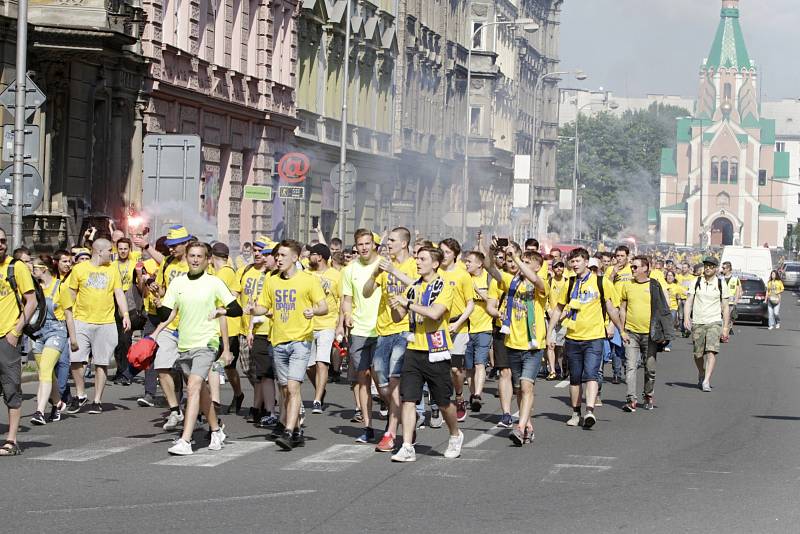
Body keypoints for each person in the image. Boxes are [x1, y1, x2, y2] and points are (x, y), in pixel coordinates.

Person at [153, 242, 242, 455]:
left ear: (207, 259)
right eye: (192, 255)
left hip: (207, 343)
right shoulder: (178, 283)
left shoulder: (214, 283)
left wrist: (220, 310)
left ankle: (185, 440)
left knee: (193, 385)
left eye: (199, 256)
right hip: (185, 344)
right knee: (201, 391)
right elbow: (167, 314)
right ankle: (216, 429)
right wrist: (158, 300)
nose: (194, 259)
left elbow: (236, 309)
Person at [388, 246, 464, 462]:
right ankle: (407, 445)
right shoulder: (413, 287)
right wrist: (394, 303)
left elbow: (434, 313)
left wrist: (409, 304)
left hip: (436, 350)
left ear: (435, 263)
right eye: (417, 259)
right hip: (413, 349)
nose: (418, 262)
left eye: (422, 259)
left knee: (443, 402)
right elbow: (397, 317)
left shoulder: (445, 286)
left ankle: (455, 434)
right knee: (409, 399)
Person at [251, 240, 328, 450]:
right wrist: (252, 310)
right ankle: (296, 429)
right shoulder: (271, 280)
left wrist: (314, 311)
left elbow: (324, 306)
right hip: (278, 341)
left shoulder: (308, 280)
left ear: (295, 257)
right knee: (285, 389)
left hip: (301, 341)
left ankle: (287, 431)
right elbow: (263, 307)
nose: (278, 259)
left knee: (293, 387)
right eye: (277, 256)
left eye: (283, 255)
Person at [548, 248, 627, 428]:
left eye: (578, 261)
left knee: (591, 374)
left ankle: (590, 411)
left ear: (586, 262)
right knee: (575, 378)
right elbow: (559, 309)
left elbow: (612, 309)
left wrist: (620, 330)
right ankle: (576, 413)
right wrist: (550, 332)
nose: (574, 265)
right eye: (572, 262)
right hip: (573, 337)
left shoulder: (601, 282)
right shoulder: (569, 284)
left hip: (594, 337)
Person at [484, 244, 548, 445]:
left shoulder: (540, 284)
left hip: (533, 345)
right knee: (520, 388)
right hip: (513, 342)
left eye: (528, 263)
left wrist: (518, 259)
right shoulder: (511, 281)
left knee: (527, 386)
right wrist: (492, 252)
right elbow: (490, 268)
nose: (521, 265)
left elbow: (536, 281)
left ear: (537, 266)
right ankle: (527, 423)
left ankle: (519, 427)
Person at [362, 227, 417, 452]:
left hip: (404, 330)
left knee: (394, 382)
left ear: (404, 243)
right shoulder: (383, 267)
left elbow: (418, 286)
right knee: (382, 381)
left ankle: (391, 432)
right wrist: (376, 274)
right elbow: (366, 292)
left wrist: (393, 270)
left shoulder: (413, 264)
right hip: (383, 330)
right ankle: (407, 414)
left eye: (392, 240)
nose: (388, 244)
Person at [65, 238, 130, 415]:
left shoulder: (112, 269)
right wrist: (67, 317)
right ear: (100, 251)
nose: (113, 253)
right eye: (110, 250)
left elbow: (119, 293)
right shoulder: (79, 269)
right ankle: (80, 394)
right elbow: (71, 294)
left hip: (106, 322)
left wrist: (125, 314)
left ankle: (97, 400)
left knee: (101, 362)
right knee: (76, 359)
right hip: (81, 321)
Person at [338, 229, 381, 443]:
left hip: (382, 330)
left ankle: (394, 418)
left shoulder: (383, 265)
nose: (364, 247)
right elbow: (346, 298)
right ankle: (368, 426)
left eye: (367, 243)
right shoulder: (349, 270)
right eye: (360, 244)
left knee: (381, 381)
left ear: (373, 244)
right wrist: (346, 315)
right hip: (359, 332)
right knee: (362, 379)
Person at [0, 228, 38, 456]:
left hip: (7, 337)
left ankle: (11, 440)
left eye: (3, 241)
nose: (1, 244)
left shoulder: (16, 267)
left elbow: (31, 301)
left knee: (11, 387)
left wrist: (16, 330)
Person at [29, 256, 77, 425]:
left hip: (56, 332)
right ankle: (58, 403)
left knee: (45, 369)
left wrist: (73, 339)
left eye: (35, 267)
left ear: (44, 269)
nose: (32, 269)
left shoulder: (60, 288)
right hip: (37, 333)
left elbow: (69, 316)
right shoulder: (34, 289)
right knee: (46, 372)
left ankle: (39, 411)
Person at [619, 256, 665, 412]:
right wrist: (622, 330)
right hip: (631, 333)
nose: (632, 269)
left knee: (649, 368)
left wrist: (662, 332)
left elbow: (661, 310)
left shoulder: (653, 285)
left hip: (650, 335)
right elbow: (623, 308)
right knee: (630, 367)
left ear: (645, 268)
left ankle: (648, 394)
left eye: (635, 267)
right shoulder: (627, 285)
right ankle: (631, 399)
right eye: (632, 267)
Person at [438, 238, 474, 423]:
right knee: (438, 368)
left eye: (447, 252)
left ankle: (459, 397)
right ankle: (441, 404)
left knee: (455, 369)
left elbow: (470, 304)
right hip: (438, 326)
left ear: (455, 255)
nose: (443, 255)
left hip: (458, 326)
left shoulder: (462, 275)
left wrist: (458, 323)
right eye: (441, 251)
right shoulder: (434, 272)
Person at [243, 239, 278, 426]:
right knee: (264, 374)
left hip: (280, 333)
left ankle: (292, 413)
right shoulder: (260, 276)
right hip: (260, 331)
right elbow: (256, 306)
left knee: (282, 378)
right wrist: (250, 329)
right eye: (262, 254)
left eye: (267, 255)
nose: (264, 258)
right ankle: (269, 411)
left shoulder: (283, 277)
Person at [683, 256, 730, 392]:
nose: (708, 268)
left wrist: (725, 327)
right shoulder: (696, 281)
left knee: (711, 351)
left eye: (711, 266)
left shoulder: (721, 284)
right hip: (698, 321)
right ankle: (701, 372)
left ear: (715, 268)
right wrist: (686, 317)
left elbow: (725, 306)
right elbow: (689, 301)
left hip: (714, 321)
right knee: (698, 354)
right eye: (706, 266)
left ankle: (706, 380)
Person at [209, 242, 244, 414]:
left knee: (224, 366)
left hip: (227, 327)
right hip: (222, 327)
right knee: (220, 365)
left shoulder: (224, 273)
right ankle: (217, 399)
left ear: (212, 258)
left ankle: (235, 394)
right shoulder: (227, 271)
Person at [307, 243, 341, 414]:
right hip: (308, 325)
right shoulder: (306, 274)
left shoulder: (335, 275)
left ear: (319, 256)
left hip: (328, 323)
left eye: (311, 254)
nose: (308, 256)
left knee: (322, 363)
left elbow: (342, 300)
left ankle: (317, 399)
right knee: (309, 366)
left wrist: (340, 324)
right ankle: (320, 388)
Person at [463, 250, 493, 411]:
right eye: (466, 261)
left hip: (484, 328)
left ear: (479, 264)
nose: (466, 264)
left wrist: (480, 293)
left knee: (479, 363)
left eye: (469, 261)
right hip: (466, 328)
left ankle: (478, 395)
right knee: (468, 367)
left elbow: (493, 301)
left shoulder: (488, 279)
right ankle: (472, 393)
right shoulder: (464, 278)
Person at [111, 238, 140, 386]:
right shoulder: (112, 266)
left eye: (125, 249)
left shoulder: (134, 265)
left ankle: (126, 372)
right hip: (114, 306)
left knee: (125, 339)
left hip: (131, 305)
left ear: (130, 250)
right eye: (120, 248)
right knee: (118, 342)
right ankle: (120, 370)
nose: (123, 251)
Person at [607, 245, 633, 384]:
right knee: (617, 343)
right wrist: (612, 275)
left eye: (622, 256)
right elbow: (606, 286)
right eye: (617, 256)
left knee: (630, 341)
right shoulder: (611, 270)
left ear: (627, 256)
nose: (620, 259)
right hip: (615, 309)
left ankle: (628, 365)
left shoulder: (633, 269)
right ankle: (616, 373)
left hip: (631, 310)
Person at [546, 260, 568, 379]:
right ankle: (553, 370)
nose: (559, 268)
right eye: (556, 266)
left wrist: (565, 312)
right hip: (551, 318)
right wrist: (549, 311)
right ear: (553, 268)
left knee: (561, 346)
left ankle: (562, 365)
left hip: (564, 318)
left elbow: (571, 299)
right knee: (551, 344)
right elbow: (544, 299)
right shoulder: (549, 282)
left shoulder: (568, 282)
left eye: (561, 266)